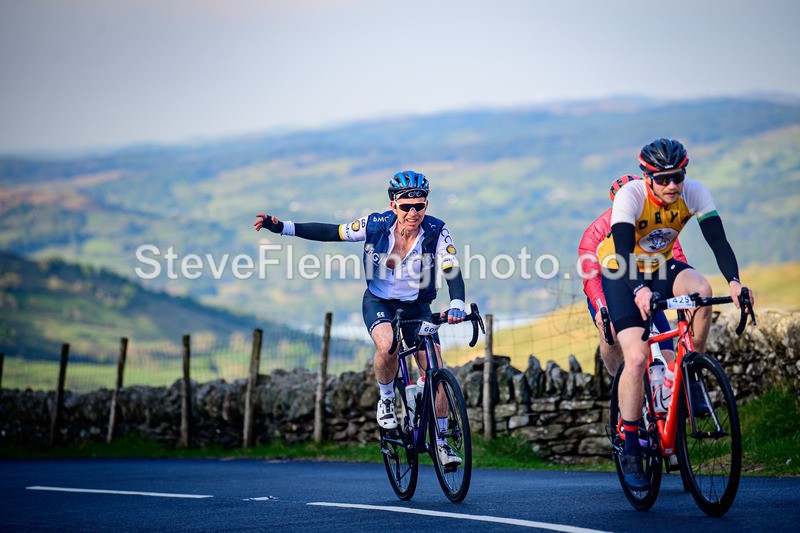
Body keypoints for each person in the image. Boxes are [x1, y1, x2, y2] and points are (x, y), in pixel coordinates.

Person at [254, 170, 467, 466]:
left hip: (417, 306)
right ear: (393, 205)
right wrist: (283, 228)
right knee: (388, 345)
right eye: (406, 207)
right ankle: (387, 399)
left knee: (436, 371)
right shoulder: (375, 225)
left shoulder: (437, 230)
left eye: (420, 205)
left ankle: (443, 443)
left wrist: (457, 302)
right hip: (379, 301)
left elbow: (451, 269)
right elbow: (332, 232)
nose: (413, 212)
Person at [597, 138, 754, 491]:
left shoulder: (694, 192)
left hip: (661, 266)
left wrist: (735, 282)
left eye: (678, 177)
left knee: (701, 291)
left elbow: (718, 241)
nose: (672, 185)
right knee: (636, 358)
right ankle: (632, 445)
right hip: (621, 272)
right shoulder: (631, 196)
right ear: (647, 178)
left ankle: (688, 371)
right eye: (664, 178)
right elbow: (622, 252)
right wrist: (638, 291)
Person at [578, 175, 688, 377]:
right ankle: (620, 381)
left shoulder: (657, 222)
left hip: (645, 283)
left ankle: (672, 396)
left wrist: (684, 292)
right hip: (608, 286)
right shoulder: (595, 232)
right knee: (610, 328)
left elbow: (676, 257)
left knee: (668, 356)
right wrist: (602, 307)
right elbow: (591, 276)